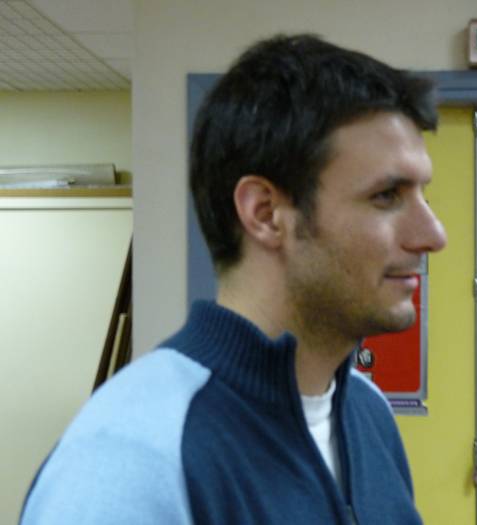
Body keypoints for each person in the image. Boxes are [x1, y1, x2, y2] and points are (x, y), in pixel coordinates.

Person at [20, 34, 446, 524]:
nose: (433, 235)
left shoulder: (367, 415)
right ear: (265, 214)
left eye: (423, 194)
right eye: (387, 196)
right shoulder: (128, 460)